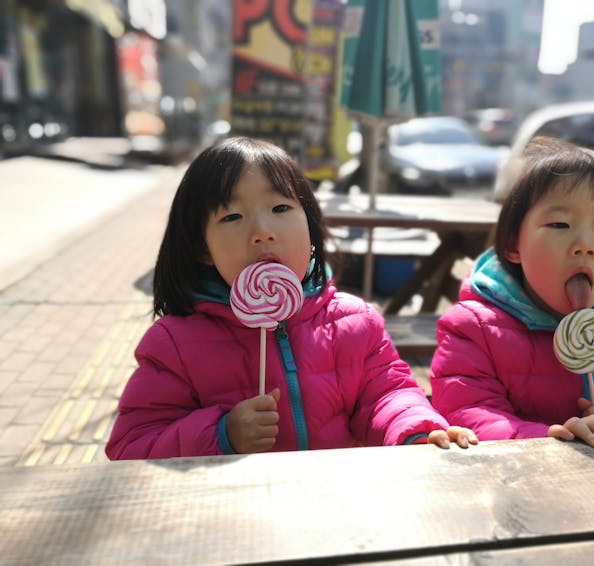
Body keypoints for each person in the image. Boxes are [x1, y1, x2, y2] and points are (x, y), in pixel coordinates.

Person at [106, 137, 477, 459]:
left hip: (333, 506)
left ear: (312, 226)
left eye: (280, 208)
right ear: (202, 248)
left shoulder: (355, 323)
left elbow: (386, 395)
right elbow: (131, 446)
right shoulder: (175, 345)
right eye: (233, 217)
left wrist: (413, 430)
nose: (263, 232)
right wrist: (221, 434)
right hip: (229, 520)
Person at [430, 136, 594, 450]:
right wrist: (554, 439)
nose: (586, 245)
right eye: (560, 224)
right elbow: (467, 415)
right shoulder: (474, 329)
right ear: (514, 244)